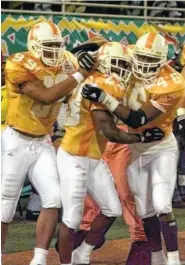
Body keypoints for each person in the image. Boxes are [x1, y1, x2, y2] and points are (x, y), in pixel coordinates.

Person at [56, 41, 165, 265]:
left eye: (125, 64)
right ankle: (81, 245)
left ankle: (139, 240)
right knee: (85, 208)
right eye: (116, 64)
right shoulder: (98, 80)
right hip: (92, 145)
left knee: (125, 196)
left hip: (108, 144)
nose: (122, 70)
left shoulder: (121, 73)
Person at [82, 33, 185, 265]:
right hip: (135, 149)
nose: (144, 65)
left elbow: (138, 119)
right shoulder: (129, 58)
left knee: (161, 205)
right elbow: (107, 46)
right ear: (135, 54)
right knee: (144, 210)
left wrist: (104, 98)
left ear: (163, 61)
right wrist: (84, 52)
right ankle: (157, 257)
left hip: (160, 148)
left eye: (152, 61)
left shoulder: (173, 82)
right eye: (142, 58)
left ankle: (174, 259)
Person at [1, 20, 95, 265]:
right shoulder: (19, 63)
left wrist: (91, 54)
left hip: (42, 140)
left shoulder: (68, 61)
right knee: (6, 203)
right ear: (33, 46)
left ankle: (39, 257)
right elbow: (46, 95)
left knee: (53, 197)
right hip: (16, 138)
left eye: (57, 45)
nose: (53, 51)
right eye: (47, 45)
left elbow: (69, 93)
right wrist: (79, 73)